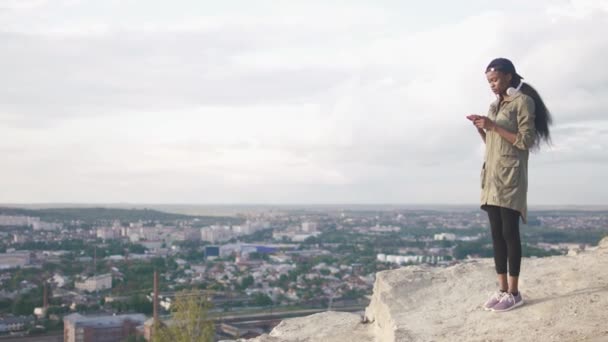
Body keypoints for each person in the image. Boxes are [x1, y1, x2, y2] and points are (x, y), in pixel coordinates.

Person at [466, 58, 552, 312]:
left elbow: (524, 141)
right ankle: (502, 288)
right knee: (496, 235)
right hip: (491, 178)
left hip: (511, 178)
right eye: (489, 81)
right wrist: (483, 129)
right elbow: (494, 142)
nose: (492, 85)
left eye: (495, 79)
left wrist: (493, 125)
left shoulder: (523, 102)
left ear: (509, 76)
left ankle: (514, 293)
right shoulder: (495, 105)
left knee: (509, 233)